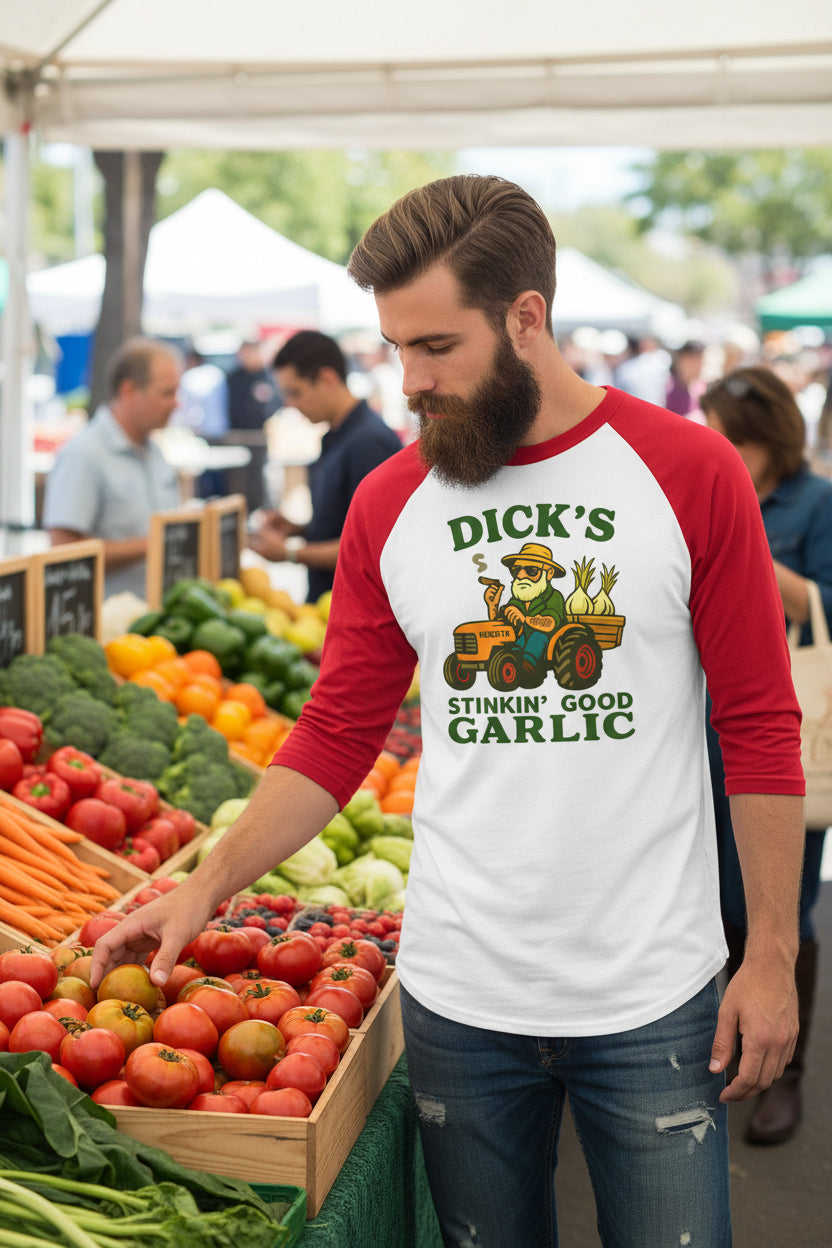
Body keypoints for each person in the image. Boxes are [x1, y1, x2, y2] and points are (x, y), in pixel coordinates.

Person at [91, 176, 805, 1248]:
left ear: (526, 318)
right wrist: (203, 890)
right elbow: (335, 732)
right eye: (393, 350)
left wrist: (772, 956)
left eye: (436, 348)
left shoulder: (689, 471)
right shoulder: (388, 503)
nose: (410, 383)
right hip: (459, 1001)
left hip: (653, 996)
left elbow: (758, 722)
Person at [700, 365, 832, 1146]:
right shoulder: (709, 489)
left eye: (731, 436)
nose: (719, 447)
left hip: (789, 730)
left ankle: (788, 1077)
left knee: (781, 907)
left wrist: (747, 539)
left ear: (765, 437)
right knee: (719, 901)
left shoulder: (814, 503)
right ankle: (741, 1047)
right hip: (704, 728)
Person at [248, 330, 402, 603]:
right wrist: (299, 529)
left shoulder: (368, 442)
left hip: (358, 610)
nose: (290, 404)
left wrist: (290, 553)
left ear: (327, 379)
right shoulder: (338, 435)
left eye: (296, 392)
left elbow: (374, 547)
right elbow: (348, 525)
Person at [42, 337, 182, 598]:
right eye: (167, 393)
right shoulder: (84, 454)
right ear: (129, 391)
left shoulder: (155, 451)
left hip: (156, 624)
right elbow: (62, 550)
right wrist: (157, 544)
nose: (176, 403)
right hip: (109, 630)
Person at [225, 339, 282, 512]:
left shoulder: (267, 376)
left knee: (260, 478)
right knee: (237, 480)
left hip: (259, 436)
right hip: (238, 435)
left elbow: (276, 403)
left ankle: (259, 509)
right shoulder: (233, 377)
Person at [665, 339, 706, 416]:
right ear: (681, 360)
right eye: (693, 360)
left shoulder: (701, 387)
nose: (699, 366)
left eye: (701, 360)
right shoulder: (667, 388)